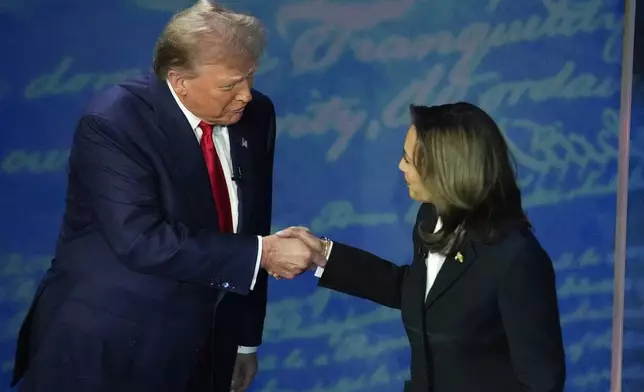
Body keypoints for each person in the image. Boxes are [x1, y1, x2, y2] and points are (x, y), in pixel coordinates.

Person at [11, 1, 322, 391]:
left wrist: (244, 341)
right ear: (179, 81)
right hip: (108, 347)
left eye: (250, 77)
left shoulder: (257, 115)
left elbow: (252, 222)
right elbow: (141, 239)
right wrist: (265, 254)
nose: (245, 94)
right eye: (229, 85)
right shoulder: (114, 122)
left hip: (205, 348)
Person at [278, 102, 567, 392]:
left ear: (445, 170)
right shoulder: (430, 218)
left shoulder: (516, 258)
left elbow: (541, 383)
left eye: (408, 159)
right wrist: (324, 256)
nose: (400, 166)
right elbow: (420, 292)